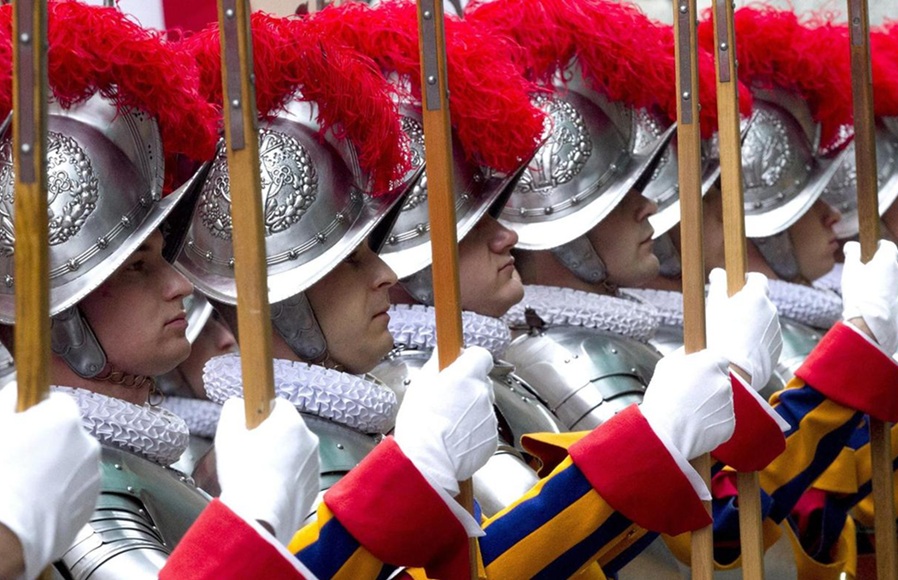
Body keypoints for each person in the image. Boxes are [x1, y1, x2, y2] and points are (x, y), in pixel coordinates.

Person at [0, 3, 321, 576]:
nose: (179, 284)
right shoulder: (90, 506)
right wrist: (256, 522)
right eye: (137, 266)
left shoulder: (135, 461)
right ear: (60, 311)